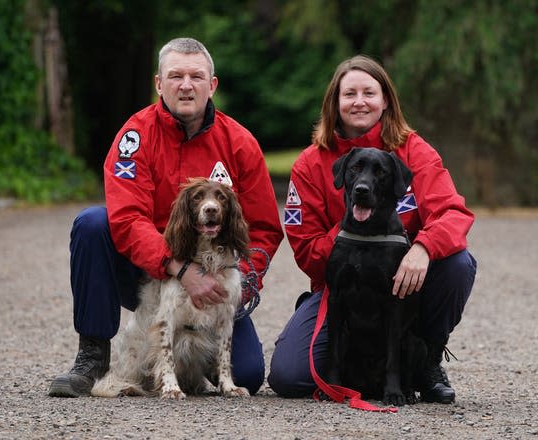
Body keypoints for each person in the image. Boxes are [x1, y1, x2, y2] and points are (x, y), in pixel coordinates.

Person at [48, 37, 283, 398]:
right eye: (175, 76)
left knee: (249, 375)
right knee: (92, 224)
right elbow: (126, 220)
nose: (186, 85)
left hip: (215, 274)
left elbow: (265, 228)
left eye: (196, 76)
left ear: (212, 84)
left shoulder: (240, 142)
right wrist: (181, 270)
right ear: (159, 84)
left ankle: (199, 363)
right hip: (145, 270)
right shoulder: (135, 135)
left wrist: (233, 285)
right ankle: (92, 356)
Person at [267, 55, 477, 404]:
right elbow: (307, 253)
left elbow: (453, 213)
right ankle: (353, 364)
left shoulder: (412, 149)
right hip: (340, 291)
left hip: (402, 285)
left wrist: (422, 248)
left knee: (458, 263)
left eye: (369, 92)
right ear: (334, 102)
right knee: (289, 377)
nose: (360, 101)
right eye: (349, 94)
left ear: (386, 101)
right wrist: (352, 232)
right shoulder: (310, 163)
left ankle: (426, 360)